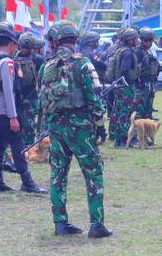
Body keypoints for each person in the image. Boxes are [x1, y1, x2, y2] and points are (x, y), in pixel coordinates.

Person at [39, 21, 110, 238]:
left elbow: (41, 101)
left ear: (54, 41)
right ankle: (97, 224)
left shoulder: (46, 66)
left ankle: (60, 223)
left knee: (58, 174)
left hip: (56, 126)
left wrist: (44, 128)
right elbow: (93, 97)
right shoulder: (83, 63)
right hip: (81, 127)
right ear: (75, 40)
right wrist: (100, 126)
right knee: (93, 172)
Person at [0, 28, 46, 194]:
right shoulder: (7, 63)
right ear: (12, 44)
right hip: (6, 111)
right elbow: (8, 91)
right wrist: (13, 117)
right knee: (17, 145)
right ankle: (27, 181)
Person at [105, 28, 141, 149]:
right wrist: (129, 84)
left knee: (119, 111)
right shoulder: (127, 53)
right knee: (125, 113)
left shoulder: (119, 50)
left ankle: (118, 139)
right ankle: (123, 139)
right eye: (135, 38)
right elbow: (124, 70)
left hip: (119, 85)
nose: (137, 40)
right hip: (125, 86)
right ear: (130, 40)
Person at [14, 33, 46, 155]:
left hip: (31, 96)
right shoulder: (15, 58)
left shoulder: (37, 59)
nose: (25, 49)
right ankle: (22, 145)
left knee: (29, 124)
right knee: (22, 123)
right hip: (19, 96)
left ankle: (28, 146)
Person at [135, 29, 161, 120]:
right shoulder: (138, 51)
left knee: (150, 99)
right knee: (142, 101)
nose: (149, 42)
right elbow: (136, 68)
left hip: (150, 79)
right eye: (146, 40)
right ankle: (141, 118)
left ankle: (148, 116)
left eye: (151, 40)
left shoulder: (148, 51)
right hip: (142, 80)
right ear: (142, 40)